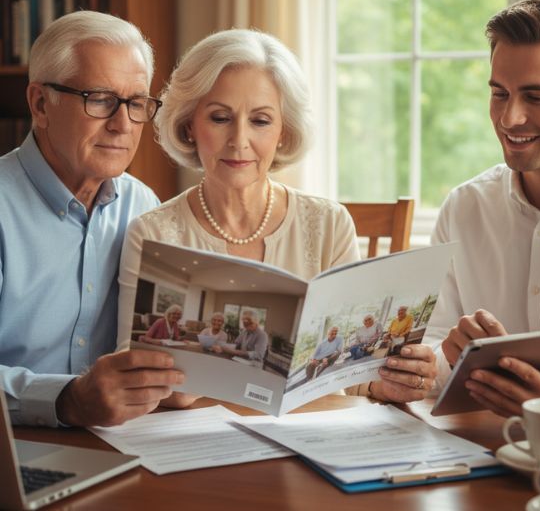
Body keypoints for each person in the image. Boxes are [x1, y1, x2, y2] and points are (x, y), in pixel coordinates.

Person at [117, 28, 437, 404]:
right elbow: (130, 374)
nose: (239, 140)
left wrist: (390, 380)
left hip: (309, 437)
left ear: (283, 131)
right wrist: (175, 387)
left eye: (261, 121)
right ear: (189, 124)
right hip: (197, 444)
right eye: (220, 117)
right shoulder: (150, 232)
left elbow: (348, 377)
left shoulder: (330, 224)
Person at [0, 10, 187, 427]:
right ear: (40, 104)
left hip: (121, 444)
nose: (122, 124)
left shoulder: (143, 205)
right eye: (100, 99)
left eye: (136, 103)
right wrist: (66, 400)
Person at [423, 0, 540, 417]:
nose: (509, 118)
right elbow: (429, 350)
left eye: (536, 97)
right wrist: (446, 356)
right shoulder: (464, 209)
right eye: (500, 93)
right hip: (476, 453)